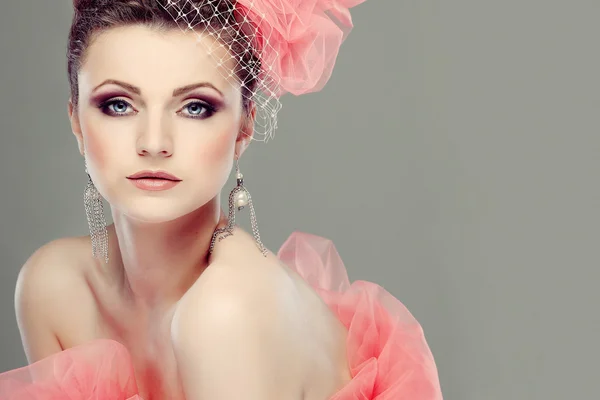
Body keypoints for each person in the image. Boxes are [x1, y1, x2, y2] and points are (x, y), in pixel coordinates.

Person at [0, 0, 443, 399]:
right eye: (119, 104)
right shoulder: (53, 290)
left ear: (245, 126)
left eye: (195, 107)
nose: (154, 142)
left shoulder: (225, 312)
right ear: (76, 120)